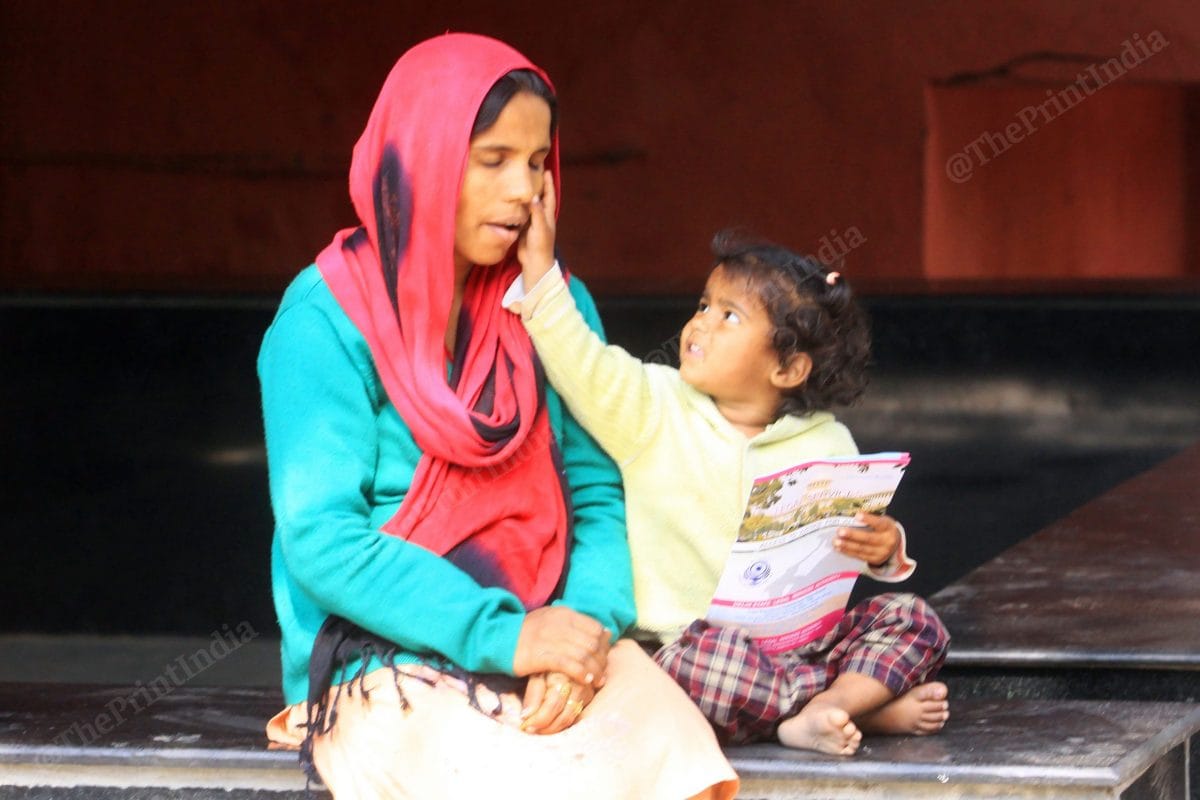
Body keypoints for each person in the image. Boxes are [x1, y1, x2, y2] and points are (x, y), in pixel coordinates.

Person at [257, 33, 739, 799]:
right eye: (493, 160)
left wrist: (580, 634)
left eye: (539, 162)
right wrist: (507, 637)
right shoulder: (321, 325)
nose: (525, 189)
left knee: (671, 739)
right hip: (386, 661)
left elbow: (594, 493)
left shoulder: (551, 305)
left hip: (550, 637)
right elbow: (323, 540)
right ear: (418, 158)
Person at [506, 195, 951, 756]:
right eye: (703, 304)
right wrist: (541, 272)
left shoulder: (828, 442)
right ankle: (851, 706)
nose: (699, 324)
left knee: (914, 617)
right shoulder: (654, 407)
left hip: (803, 646)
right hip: (696, 654)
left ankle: (819, 706)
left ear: (787, 368)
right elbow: (580, 360)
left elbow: (850, 544)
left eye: (729, 316)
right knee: (699, 666)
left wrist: (884, 549)